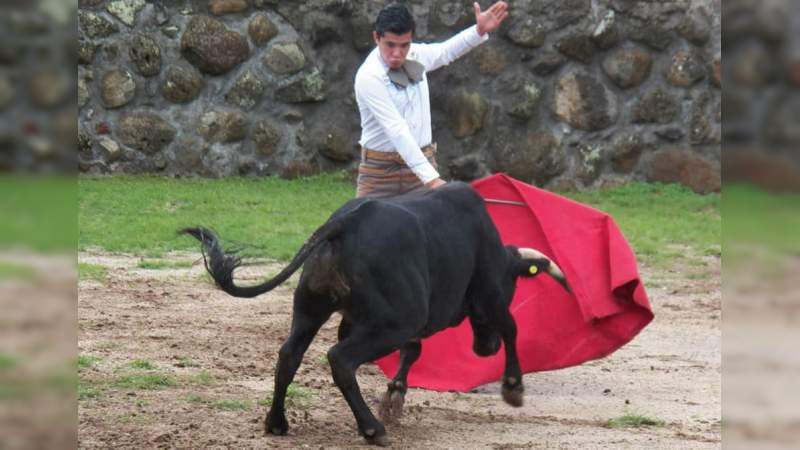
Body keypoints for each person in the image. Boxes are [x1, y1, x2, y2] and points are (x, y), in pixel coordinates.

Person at [354, 2, 509, 198]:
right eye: (390, 44)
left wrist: (478, 31)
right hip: (380, 174)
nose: (397, 53)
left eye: (404, 45)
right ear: (376, 37)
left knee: (439, 228)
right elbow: (396, 129)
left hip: (421, 165)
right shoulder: (369, 76)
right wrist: (433, 179)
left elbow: (445, 52)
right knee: (360, 228)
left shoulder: (416, 54)